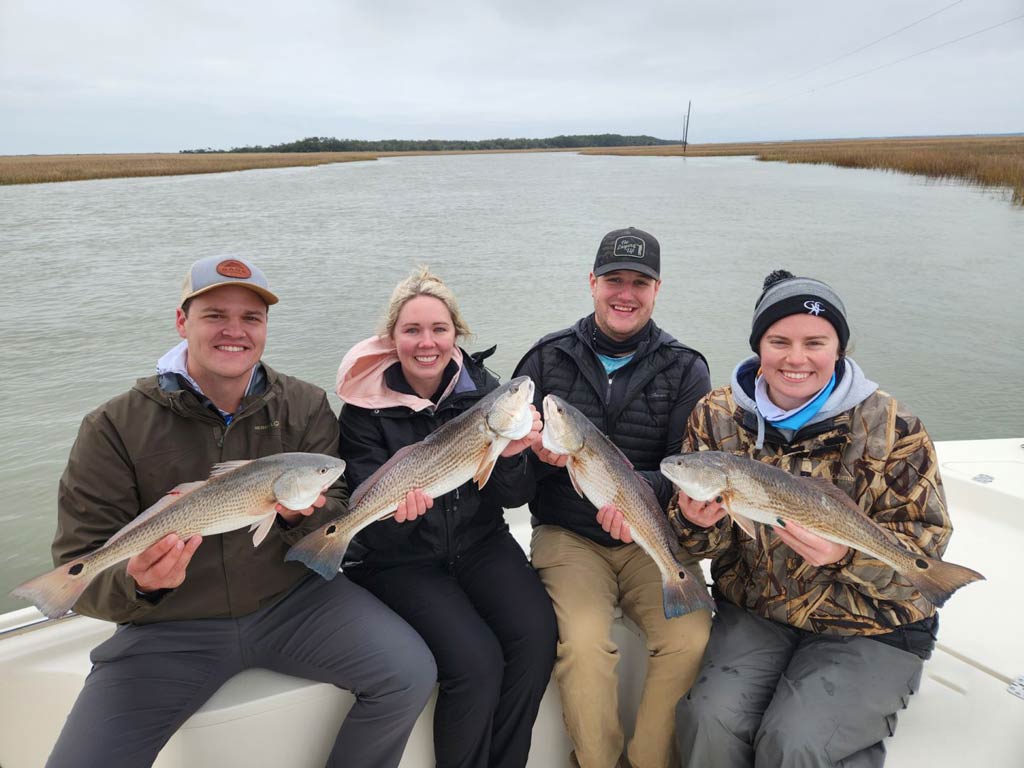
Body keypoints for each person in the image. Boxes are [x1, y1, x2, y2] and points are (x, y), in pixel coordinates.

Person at [47, 255, 437, 768]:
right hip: (167, 625)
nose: (235, 331)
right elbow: (80, 559)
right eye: (215, 316)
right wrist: (139, 584)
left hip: (295, 604)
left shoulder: (304, 404)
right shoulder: (112, 427)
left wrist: (303, 518)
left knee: (409, 673)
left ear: (266, 328)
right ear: (182, 321)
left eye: (251, 318)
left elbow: (338, 511)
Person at [670, 269, 951, 767]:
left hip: (872, 625)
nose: (795, 358)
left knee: (796, 742)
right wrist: (695, 522)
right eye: (779, 341)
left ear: (839, 347)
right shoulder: (715, 416)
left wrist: (845, 556)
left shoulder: (895, 427)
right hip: (760, 612)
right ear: (759, 346)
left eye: (814, 342)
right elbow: (694, 547)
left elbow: (924, 557)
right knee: (706, 719)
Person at [335, 266, 558, 768]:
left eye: (439, 329)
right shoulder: (363, 412)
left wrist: (514, 454)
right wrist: (401, 517)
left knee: (537, 638)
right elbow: (369, 525)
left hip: (481, 544)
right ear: (391, 338)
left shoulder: (488, 393)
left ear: (456, 333)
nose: (426, 343)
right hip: (400, 560)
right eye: (412, 330)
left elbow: (514, 498)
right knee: (475, 664)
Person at [513, 227, 713, 768]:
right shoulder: (545, 358)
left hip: (651, 533)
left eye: (639, 283)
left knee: (690, 637)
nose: (626, 294)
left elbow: (687, 468)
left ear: (657, 289)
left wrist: (637, 496)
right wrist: (532, 455)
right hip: (568, 535)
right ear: (592, 283)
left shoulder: (686, 368)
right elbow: (508, 488)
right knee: (581, 644)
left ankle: (649, 760)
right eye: (613, 281)